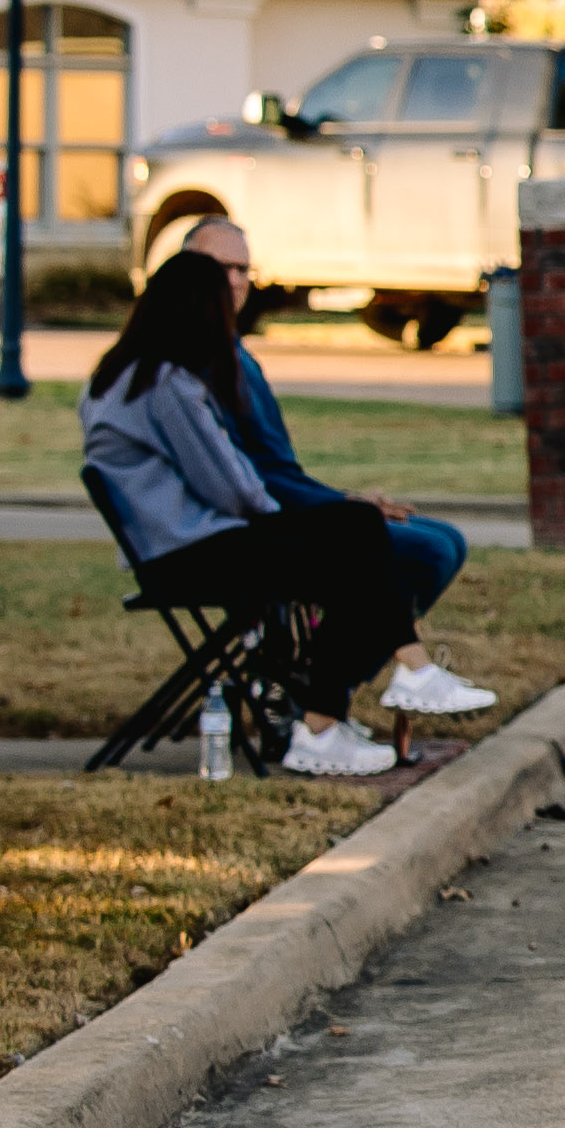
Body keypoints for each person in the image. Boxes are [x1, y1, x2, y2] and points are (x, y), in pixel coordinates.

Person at [81, 251, 495, 778]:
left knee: (354, 538)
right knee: (355, 535)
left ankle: (344, 713)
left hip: (175, 550)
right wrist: (300, 519)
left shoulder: (119, 375)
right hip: (191, 555)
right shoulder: (166, 385)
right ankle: (381, 687)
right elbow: (230, 486)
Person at [168, 218, 479, 631]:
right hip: (248, 530)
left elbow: (278, 469)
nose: (234, 281)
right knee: (429, 551)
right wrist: (340, 511)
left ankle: (326, 671)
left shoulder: (234, 353)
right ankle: (329, 680)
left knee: (448, 540)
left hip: (285, 509)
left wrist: (344, 504)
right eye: (219, 268)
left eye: (242, 269)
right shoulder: (193, 365)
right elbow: (248, 478)